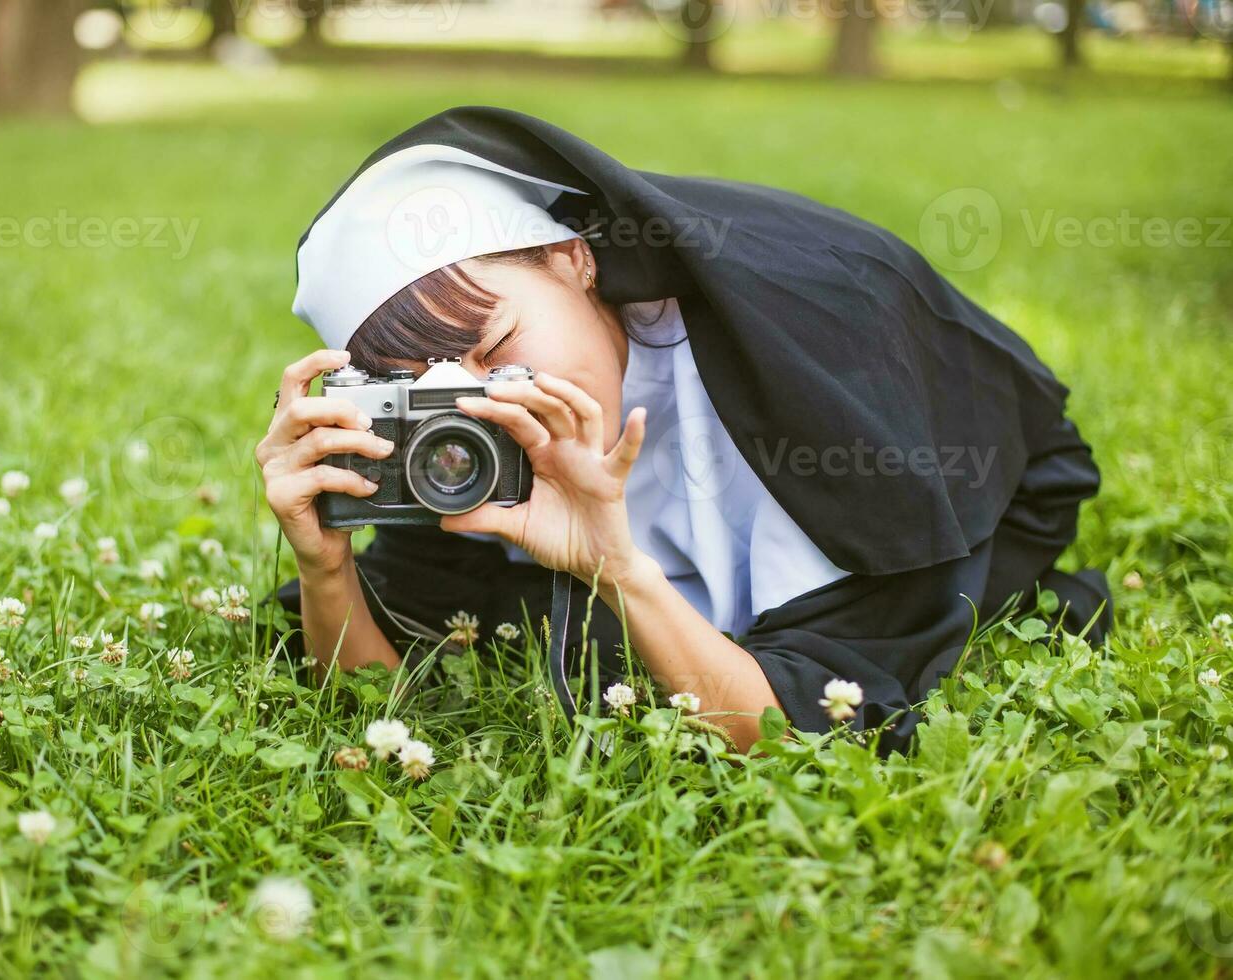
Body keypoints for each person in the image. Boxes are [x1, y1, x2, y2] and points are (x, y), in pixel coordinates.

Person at [257, 106, 1110, 755]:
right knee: (511, 623)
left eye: (498, 347)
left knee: (620, 641)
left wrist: (617, 570)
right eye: (429, 394)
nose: (493, 409)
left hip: (947, 457)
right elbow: (377, 698)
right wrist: (324, 566)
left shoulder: (809, 341)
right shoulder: (461, 445)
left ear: (571, 259)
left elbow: (794, 731)